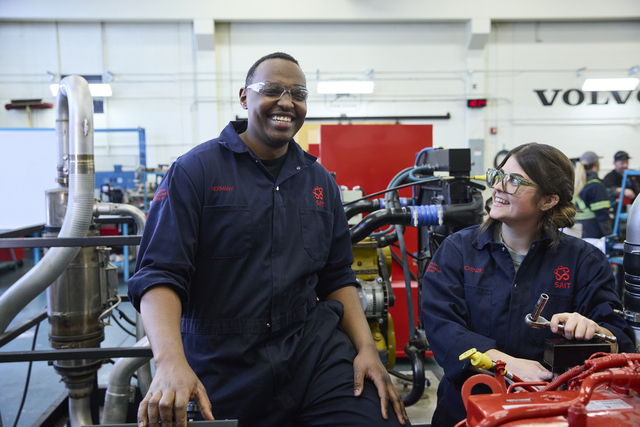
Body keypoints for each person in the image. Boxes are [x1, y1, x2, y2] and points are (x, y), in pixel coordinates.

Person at [127, 52, 409, 427]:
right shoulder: (195, 171)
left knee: (383, 419)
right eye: (272, 90)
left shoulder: (319, 180)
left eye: (298, 93)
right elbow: (159, 274)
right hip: (223, 363)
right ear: (245, 97)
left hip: (312, 352)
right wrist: (169, 363)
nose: (287, 102)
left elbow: (338, 276)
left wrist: (367, 350)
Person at [421, 143, 635, 427]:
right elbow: (441, 326)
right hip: (467, 407)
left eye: (514, 181)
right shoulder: (458, 250)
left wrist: (594, 329)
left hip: (551, 409)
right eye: (498, 176)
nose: (498, 187)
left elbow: (621, 339)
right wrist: (502, 362)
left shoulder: (584, 260)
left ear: (548, 200)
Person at [573, 151, 612, 239]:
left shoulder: (576, 183)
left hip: (577, 230)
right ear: (597, 164)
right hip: (594, 232)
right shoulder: (596, 186)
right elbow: (602, 215)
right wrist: (609, 236)